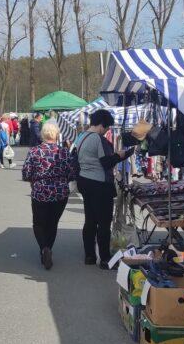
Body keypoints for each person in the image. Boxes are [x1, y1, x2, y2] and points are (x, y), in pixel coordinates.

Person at [72, 109, 131, 268]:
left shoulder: (82, 136)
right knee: (104, 223)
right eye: (107, 128)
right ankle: (105, 259)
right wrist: (120, 155)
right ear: (101, 125)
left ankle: (89, 256)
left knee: (90, 220)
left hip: (84, 181)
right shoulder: (99, 139)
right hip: (99, 184)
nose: (107, 131)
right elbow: (106, 163)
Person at [22, 121, 77, 270]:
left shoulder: (34, 151)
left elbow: (26, 173)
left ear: (43, 134)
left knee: (39, 223)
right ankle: (48, 248)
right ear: (57, 134)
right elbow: (71, 174)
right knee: (53, 223)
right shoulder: (64, 152)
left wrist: (33, 180)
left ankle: (44, 248)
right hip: (60, 192)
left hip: (40, 191)